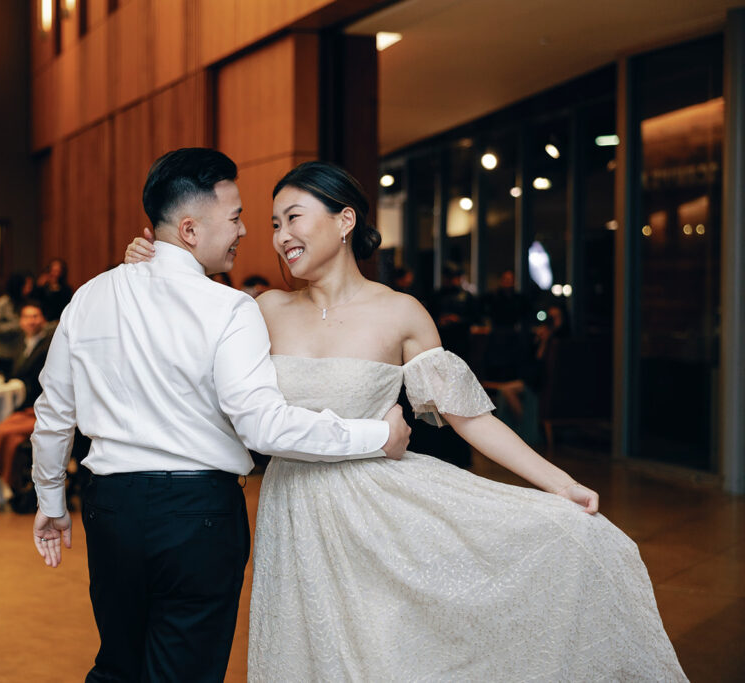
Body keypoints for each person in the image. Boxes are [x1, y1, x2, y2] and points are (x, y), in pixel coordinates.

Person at [124, 160, 686, 681]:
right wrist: (152, 266)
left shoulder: (401, 312)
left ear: (345, 220)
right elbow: (184, 354)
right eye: (272, 224)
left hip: (383, 519)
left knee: (386, 659)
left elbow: (471, 419)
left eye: (292, 217)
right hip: (294, 514)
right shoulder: (261, 309)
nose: (278, 236)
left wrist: (559, 483)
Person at [31, 148, 411, 683]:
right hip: (197, 514)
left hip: (110, 507)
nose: (245, 230)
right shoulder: (229, 309)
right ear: (190, 229)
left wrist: (50, 499)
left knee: (118, 664)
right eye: (235, 218)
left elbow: (52, 414)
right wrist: (378, 434)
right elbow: (263, 425)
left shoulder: (89, 297)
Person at [0, 300, 54, 501]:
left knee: (0, 433)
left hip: (40, 408)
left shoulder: (48, 346)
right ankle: (12, 488)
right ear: (20, 322)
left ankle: (8, 484)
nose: (31, 321)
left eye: (35, 316)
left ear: (43, 320)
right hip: (25, 406)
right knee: (10, 439)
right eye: (26, 317)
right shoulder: (21, 345)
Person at [0, 272, 33, 376]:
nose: (29, 289)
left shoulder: (26, 302)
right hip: (3, 353)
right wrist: (17, 326)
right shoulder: (3, 303)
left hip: (21, 351)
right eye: (27, 285)